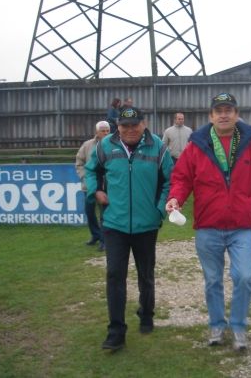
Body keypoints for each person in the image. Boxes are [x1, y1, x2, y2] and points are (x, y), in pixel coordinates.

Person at [165, 92, 251, 351]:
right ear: (210, 116)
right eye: (219, 110)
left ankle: (238, 327)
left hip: (241, 225)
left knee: (245, 276)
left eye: (229, 110)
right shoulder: (197, 145)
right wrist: (175, 198)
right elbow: (182, 178)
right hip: (208, 226)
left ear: (236, 114)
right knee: (212, 279)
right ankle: (216, 324)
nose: (224, 114)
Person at [85, 106, 173, 351]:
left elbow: (170, 180)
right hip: (114, 224)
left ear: (144, 124)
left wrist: (158, 209)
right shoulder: (105, 147)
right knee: (115, 276)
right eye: (125, 126)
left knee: (146, 275)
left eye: (135, 124)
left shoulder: (158, 147)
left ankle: (146, 314)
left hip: (147, 225)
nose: (131, 130)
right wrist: (96, 190)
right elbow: (91, 171)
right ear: (118, 127)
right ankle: (116, 332)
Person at [75, 120, 110, 251]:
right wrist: (85, 177)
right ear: (97, 132)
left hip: (105, 187)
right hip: (89, 186)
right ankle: (95, 235)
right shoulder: (87, 145)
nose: (105, 133)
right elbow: (79, 162)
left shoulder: (113, 145)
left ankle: (104, 240)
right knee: (89, 212)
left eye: (107, 130)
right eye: (103, 130)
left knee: (104, 214)